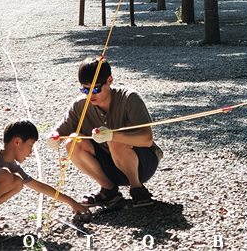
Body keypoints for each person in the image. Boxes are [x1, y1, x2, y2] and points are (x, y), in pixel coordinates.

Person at [46, 57, 162, 209]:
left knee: (114, 140)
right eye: (85, 90)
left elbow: (147, 140)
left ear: (109, 80)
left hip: (143, 164)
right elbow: (60, 131)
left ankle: (137, 189)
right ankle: (109, 190)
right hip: (109, 168)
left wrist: (113, 135)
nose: (90, 95)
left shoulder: (129, 98)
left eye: (95, 89)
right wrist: (53, 138)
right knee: (73, 141)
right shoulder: (80, 105)